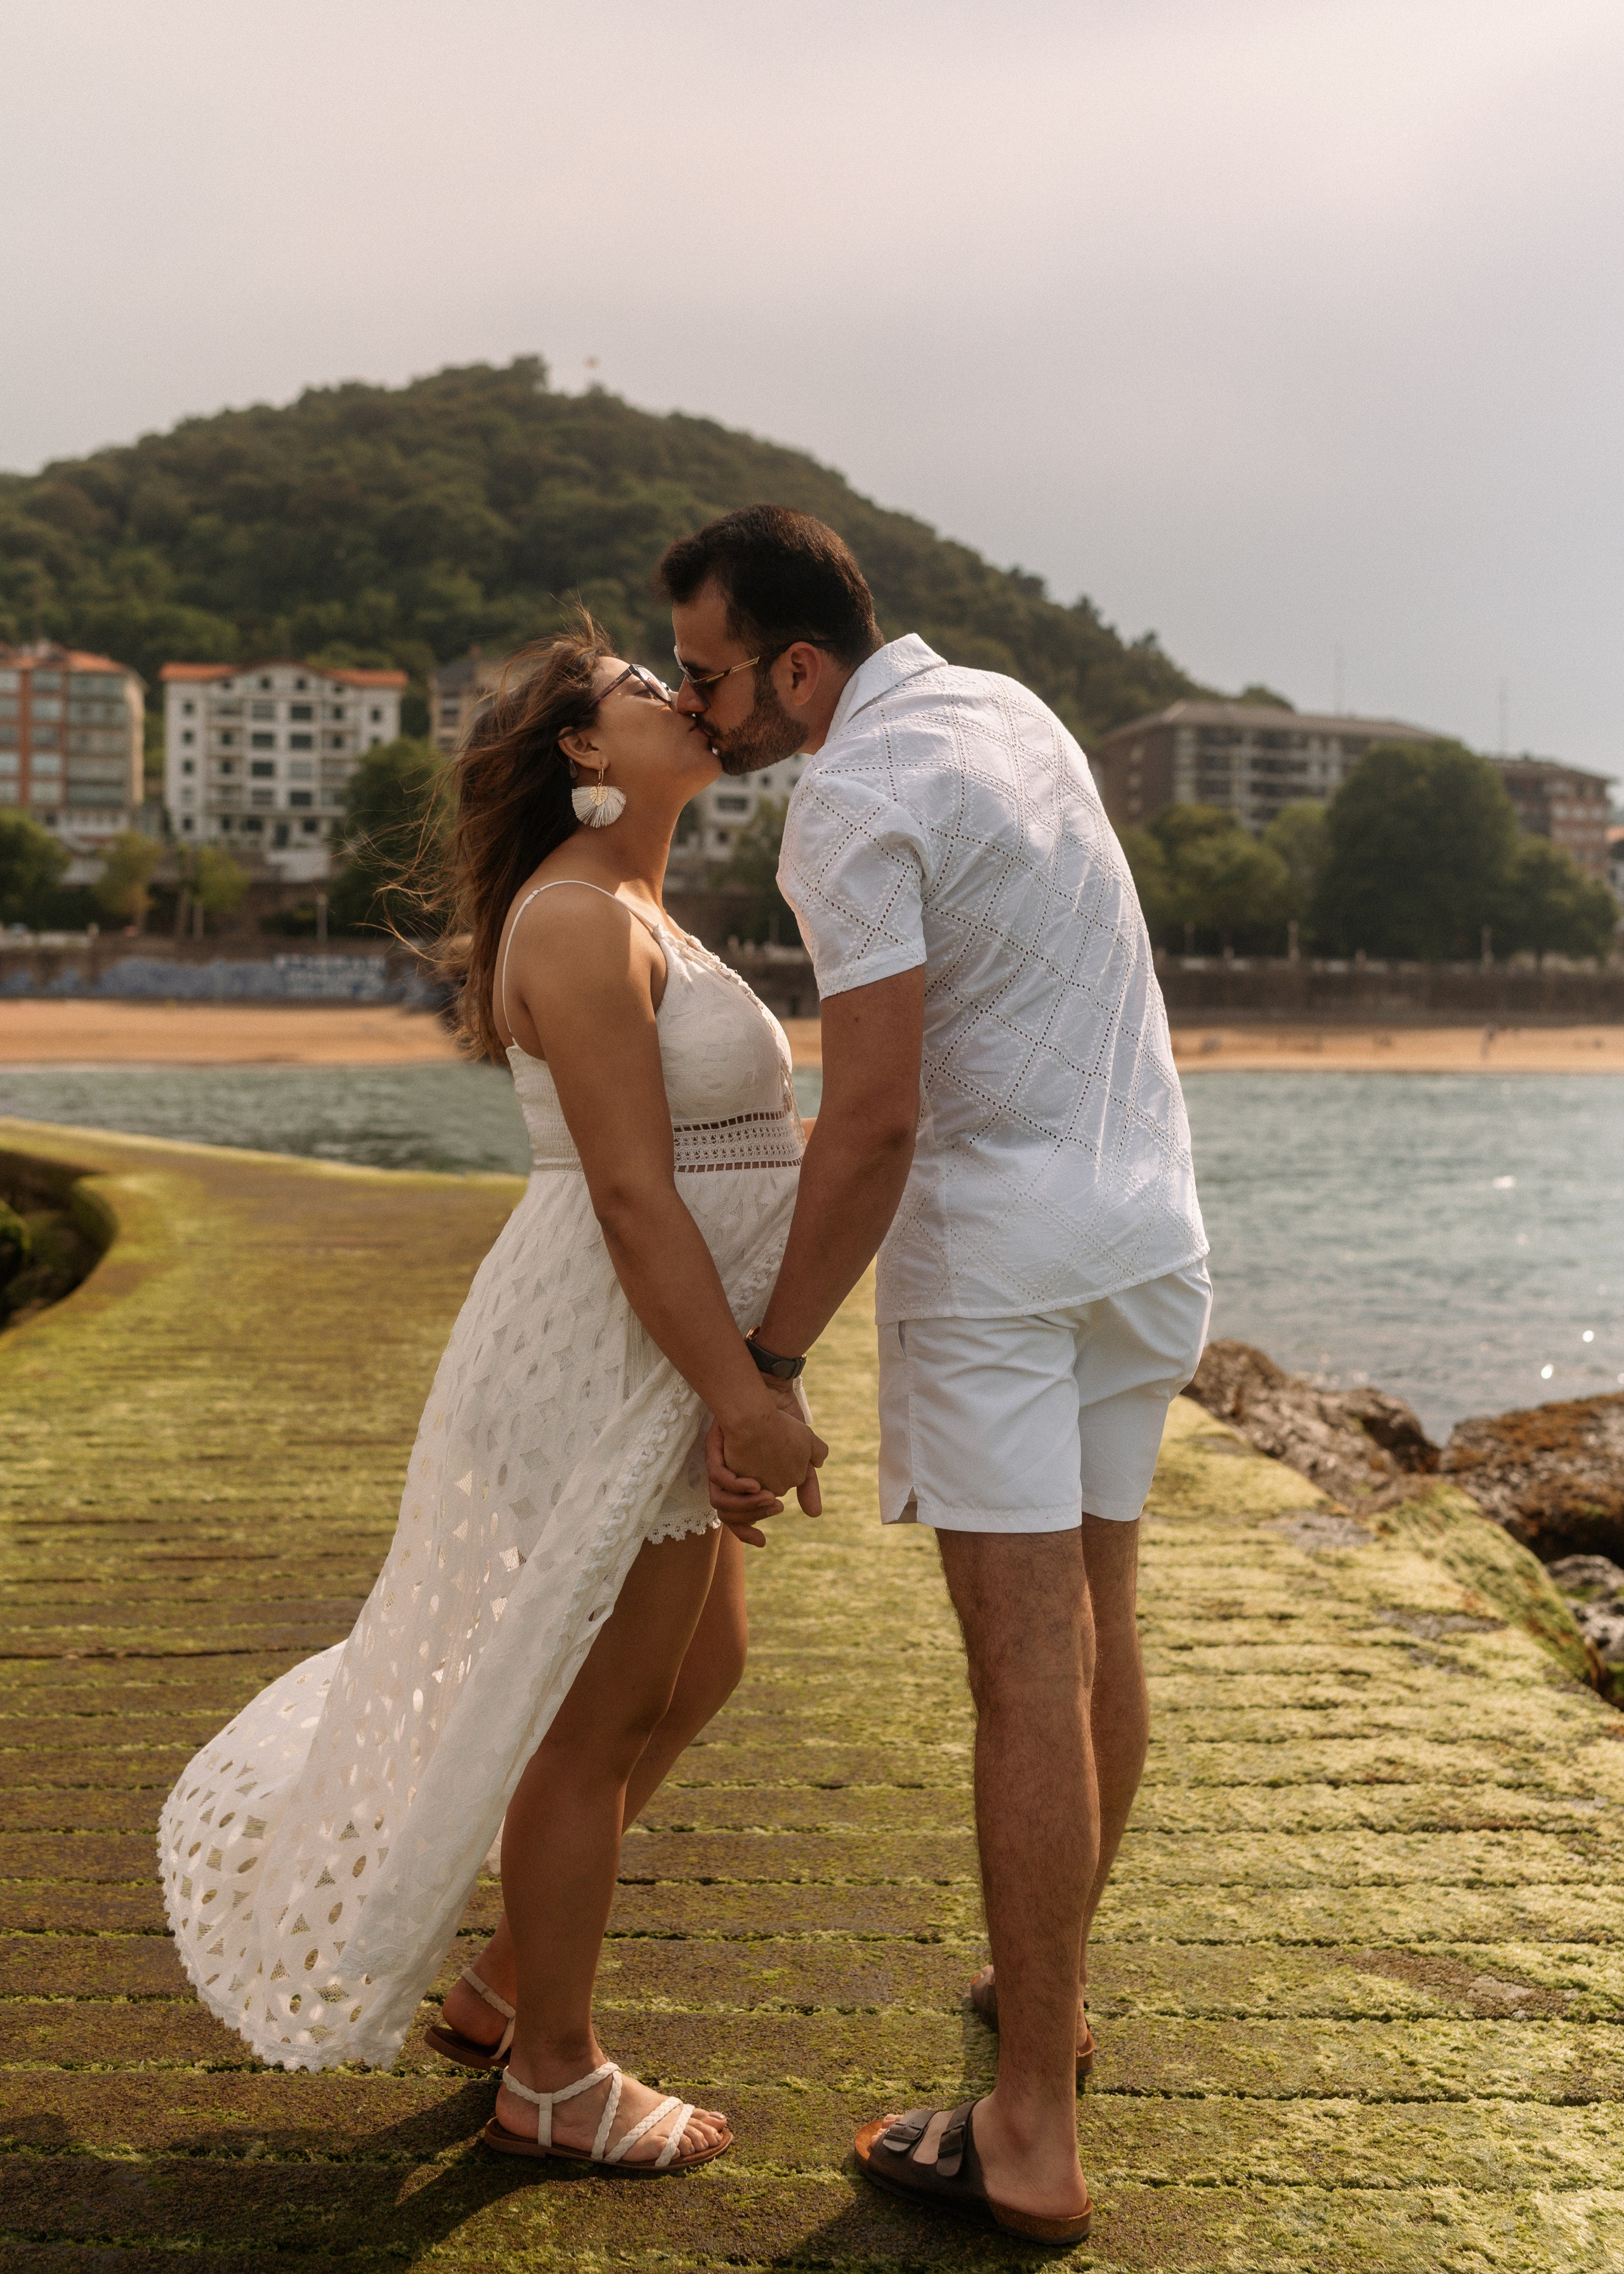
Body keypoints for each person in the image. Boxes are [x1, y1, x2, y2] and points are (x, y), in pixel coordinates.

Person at [158, 619, 825, 2174]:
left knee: (700, 1667)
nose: (682, 699)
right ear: (584, 753)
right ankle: (554, 2071)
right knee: (592, 1720)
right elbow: (628, 1194)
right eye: (644, 691)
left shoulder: (642, 900)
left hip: (653, 1348)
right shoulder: (581, 920)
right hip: (607, 1345)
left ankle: (509, 1982)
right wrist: (747, 1398)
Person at [662, 507, 1209, 2246]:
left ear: (798, 667)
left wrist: (769, 1359)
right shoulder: (1010, 711)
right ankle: (1047, 1999)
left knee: (1021, 1669)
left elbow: (878, 1115)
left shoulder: (844, 800)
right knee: (1099, 1620)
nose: (703, 707)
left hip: (1005, 1256)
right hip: (1151, 1226)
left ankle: (1029, 2127)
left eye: (711, 673)